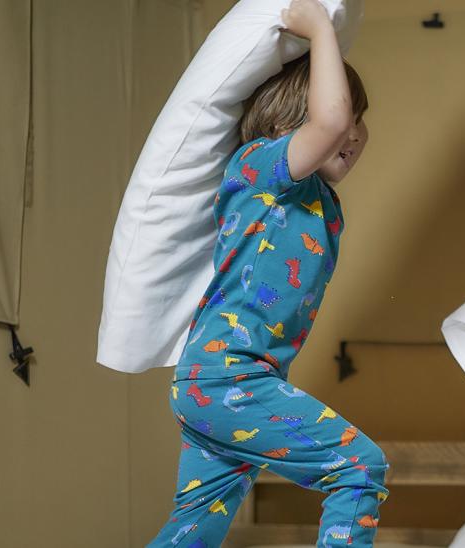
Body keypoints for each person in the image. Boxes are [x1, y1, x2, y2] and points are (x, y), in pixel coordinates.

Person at [149, 1, 386, 546]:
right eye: (344, 115)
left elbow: (326, 124)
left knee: (194, 529)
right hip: (226, 377)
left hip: (222, 383)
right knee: (358, 467)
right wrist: (321, 29)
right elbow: (326, 124)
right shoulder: (261, 167)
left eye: (361, 119)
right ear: (282, 127)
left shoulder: (322, 200)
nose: (352, 131)